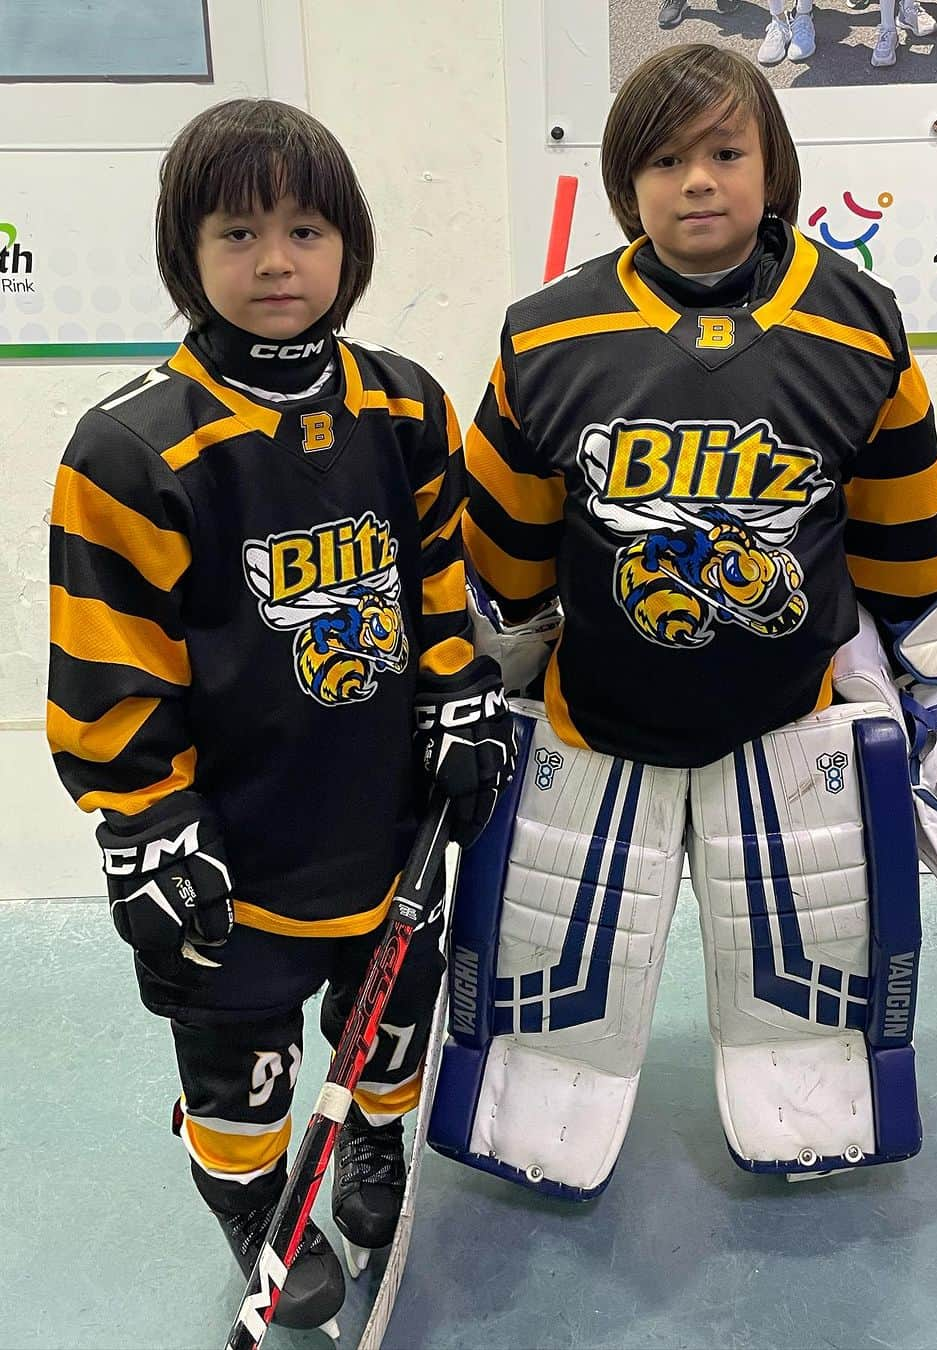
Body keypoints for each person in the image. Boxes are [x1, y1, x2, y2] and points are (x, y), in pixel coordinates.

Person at [427, 44, 937, 1201]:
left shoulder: (859, 326)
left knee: (811, 1008)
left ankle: (811, 1110)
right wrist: (466, 684)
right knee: (547, 1028)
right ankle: (537, 1116)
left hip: (790, 728)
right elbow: (496, 556)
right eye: (665, 158)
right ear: (624, 182)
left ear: (772, 164)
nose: (699, 179)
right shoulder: (546, 336)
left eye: (725, 152)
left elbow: (904, 543)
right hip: (592, 725)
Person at [46, 98, 515, 1330]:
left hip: (380, 811)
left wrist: (461, 694)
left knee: (387, 1021)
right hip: (236, 838)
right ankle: (250, 1195)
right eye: (238, 233)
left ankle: (365, 1144)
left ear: (348, 244)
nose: (275, 262)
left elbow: (438, 584)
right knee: (241, 1064)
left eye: (305, 230)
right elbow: (108, 663)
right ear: (184, 254)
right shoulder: (134, 446)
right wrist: (144, 822)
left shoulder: (405, 405)